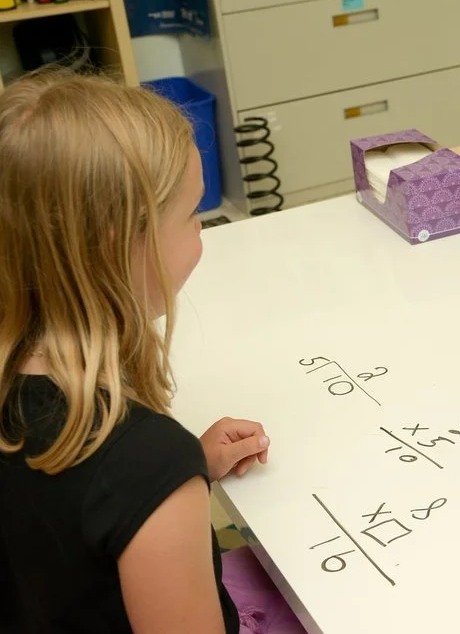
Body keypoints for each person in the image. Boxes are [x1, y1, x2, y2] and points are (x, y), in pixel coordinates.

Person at [0, 72, 274, 633]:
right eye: (194, 214)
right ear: (123, 245)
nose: (202, 232)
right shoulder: (144, 460)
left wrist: (169, 482)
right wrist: (161, 486)